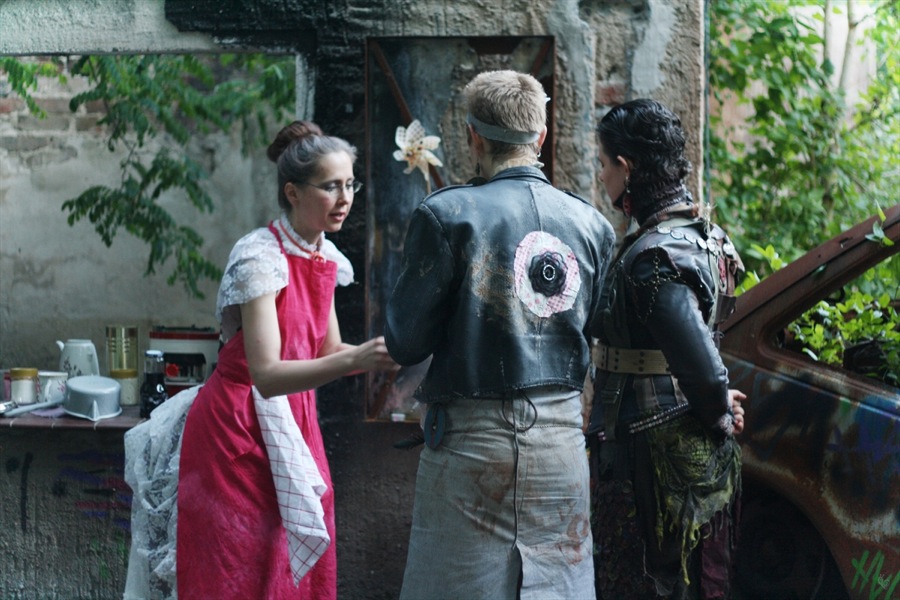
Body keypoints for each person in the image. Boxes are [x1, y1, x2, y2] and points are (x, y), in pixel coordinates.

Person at [385, 70, 616, 600]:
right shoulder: (592, 225)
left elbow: (405, 343)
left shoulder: (445, 215)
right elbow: (598, 328)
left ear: (474, 138)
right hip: (561, 442)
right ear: (540, 136)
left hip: (471, 447)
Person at [173, 120, 398, 599]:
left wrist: (384, 356)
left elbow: (329, 351)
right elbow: (267, 375)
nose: (345, 198)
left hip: (295, 421)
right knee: (238, 567)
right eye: (331, 186)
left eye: (350, 185)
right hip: (238, 428)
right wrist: (356, 359)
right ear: (292, 192)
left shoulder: (325, 255)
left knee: (294, 570)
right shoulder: (260, 257)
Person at [588, 98, 746, 599]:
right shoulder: (704, 236)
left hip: (654, 458)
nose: (601, 175)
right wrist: (716, 404)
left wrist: (718, 410)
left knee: (655, 584)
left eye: (603, 163)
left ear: (626, 167)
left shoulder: (656, 255)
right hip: (672, 441)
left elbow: (701, 366)